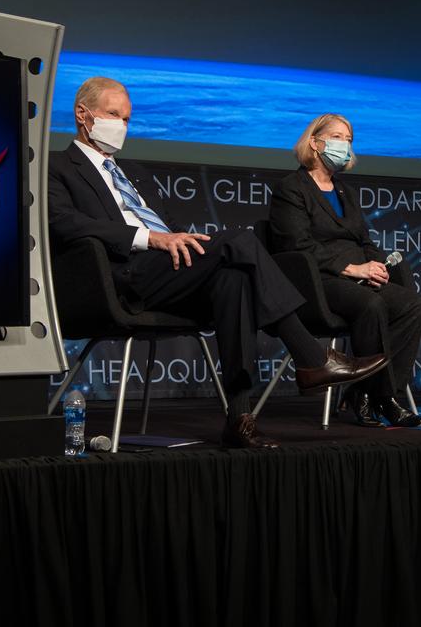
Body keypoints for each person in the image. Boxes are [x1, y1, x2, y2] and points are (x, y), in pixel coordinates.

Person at [47, 77, 388, 449]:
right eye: (114, 115)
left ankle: (240, 419)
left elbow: (171, 227)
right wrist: (150, 239)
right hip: (120, 276)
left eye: (128, 119)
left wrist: (183, 242)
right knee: (240, 241)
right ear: (83, 114)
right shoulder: (57, 167)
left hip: (166, 271)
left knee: (234, 277)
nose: (122, 127)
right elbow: (63, 222)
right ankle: (308, 355)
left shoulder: (136, 173)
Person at [269, 114, 421, 427]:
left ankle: (372, 392)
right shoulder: (291, 189)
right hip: (317, 281)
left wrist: (376, 265)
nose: (346, 145)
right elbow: (298, 248)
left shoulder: (345, 191)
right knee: (371, 304)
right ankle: (383, 399)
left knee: (415, 305)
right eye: (339, 137)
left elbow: (364, 239)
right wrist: (352, 268)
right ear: (315, 143)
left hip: (357, 275)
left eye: (349, 139)